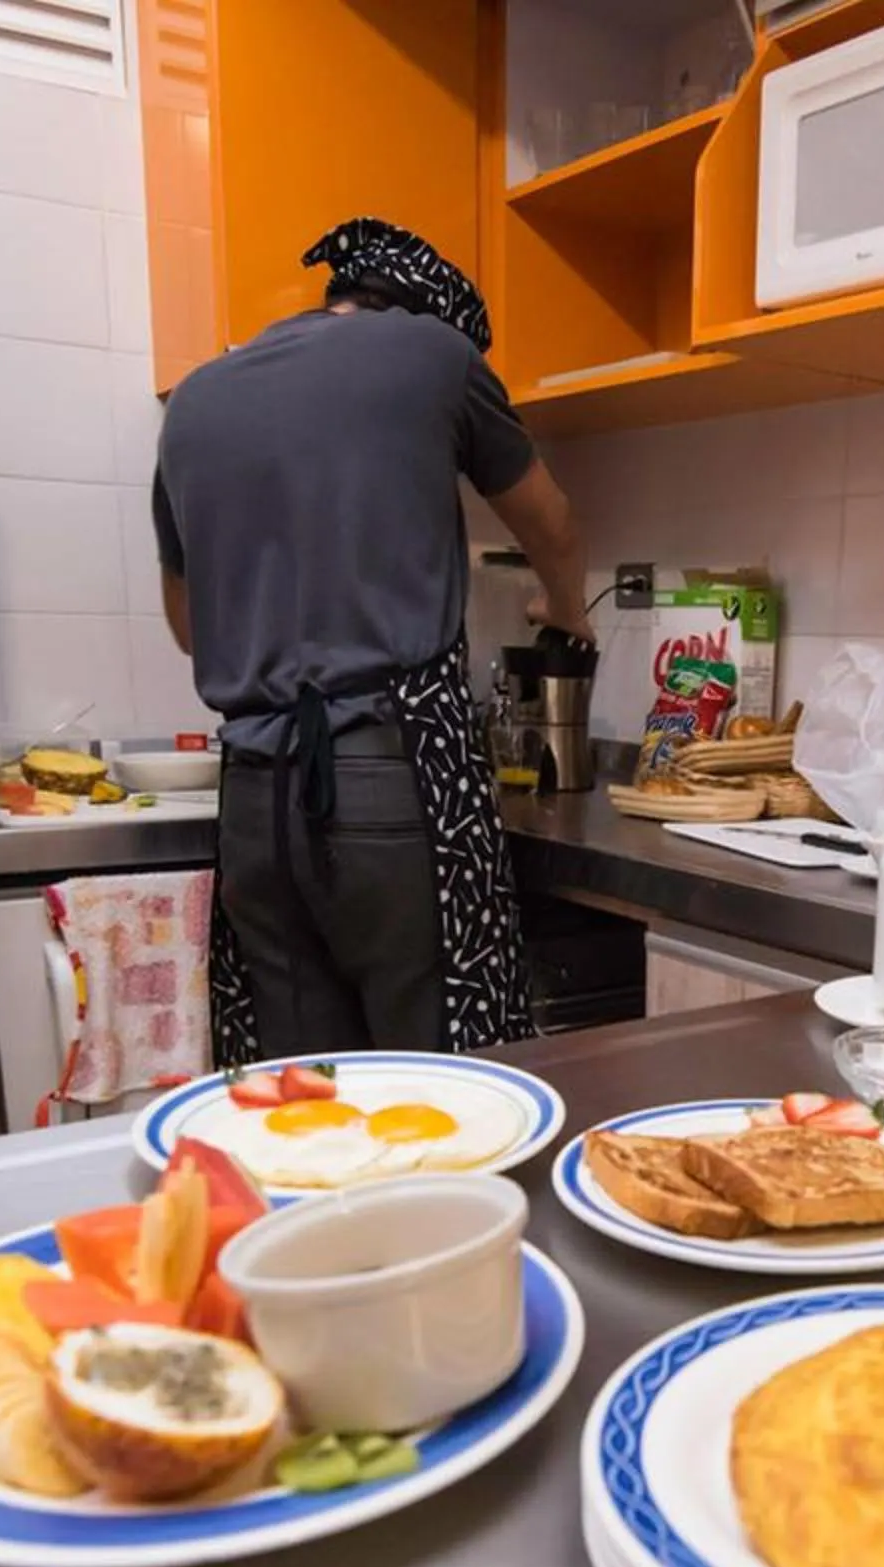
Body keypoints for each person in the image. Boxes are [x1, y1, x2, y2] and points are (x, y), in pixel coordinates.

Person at [149, 217, 592, 1065]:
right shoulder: (436, 354)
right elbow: (557, 528)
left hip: (254, 797)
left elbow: (186, 629)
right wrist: (566, 609)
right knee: (444, 1080)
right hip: (396, 776)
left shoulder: (194, 400)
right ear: (435, 315)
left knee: (302, 1092)